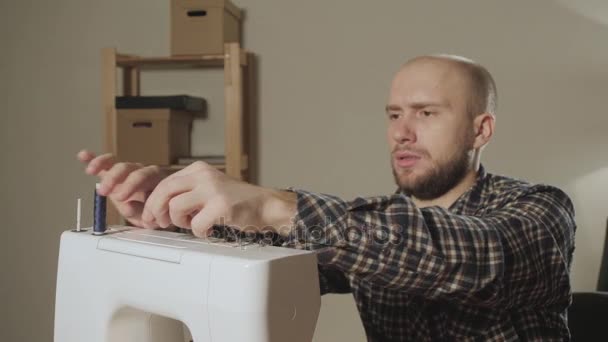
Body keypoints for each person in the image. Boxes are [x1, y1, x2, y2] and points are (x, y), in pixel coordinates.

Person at [78, 55, 576, 341]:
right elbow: (286, 262)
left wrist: (274, 204)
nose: (402, 132)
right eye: (393, 114)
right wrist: (176, 216)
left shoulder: (541, 210)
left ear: (480, 129)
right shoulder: (376, 222)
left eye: (426, 113)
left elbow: (467, 259)